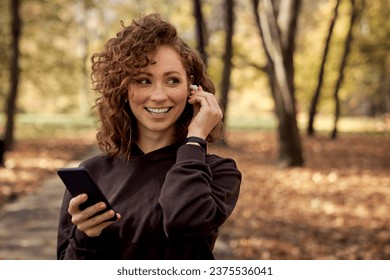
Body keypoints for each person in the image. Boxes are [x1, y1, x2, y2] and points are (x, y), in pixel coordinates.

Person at [57, 13, 241, 260]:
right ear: (123, 89)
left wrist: (196, 137)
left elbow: (183, 221)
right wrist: (85, 238)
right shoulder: (92, 173)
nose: (158, 95)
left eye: (172, 80)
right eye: (143, 80)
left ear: (192, 89)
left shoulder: (217, 172)